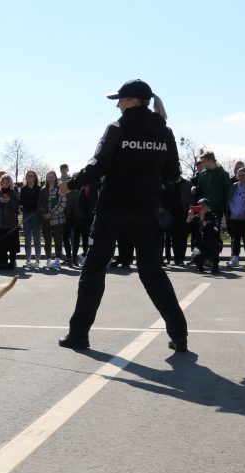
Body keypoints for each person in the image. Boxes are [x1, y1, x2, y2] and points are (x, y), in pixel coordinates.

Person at [57, 79, 188, 352]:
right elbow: (173, 175)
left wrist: (69, 185)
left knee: (93, 270)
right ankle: (179, 334)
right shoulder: (165, 131)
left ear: (131, 101)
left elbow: (97, 164)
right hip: (146, 210)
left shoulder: (118, 127)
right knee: (152, 272)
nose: (117, 105)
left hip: (112, 207)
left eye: (120, 100)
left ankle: (78, 334)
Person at [227, 168, 245, 268]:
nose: (241, 177)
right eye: (239, 175)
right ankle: (235, 258)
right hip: (234, 217)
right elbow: (229, 199)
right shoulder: (234, 186)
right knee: (235, 239)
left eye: (243, 175)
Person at [38, 170, 65, 269]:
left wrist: (51, 214)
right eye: (48, 177)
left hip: (58, 219)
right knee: (47, 241)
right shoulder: (43, 189)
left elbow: (62, 203)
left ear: (55, 177)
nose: (50, 178)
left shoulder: (60, 188)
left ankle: (57, 261)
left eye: (52, 176)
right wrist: (43, 214)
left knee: (58, 240)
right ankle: (48, 260)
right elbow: (40, 204)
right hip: (46, 220)